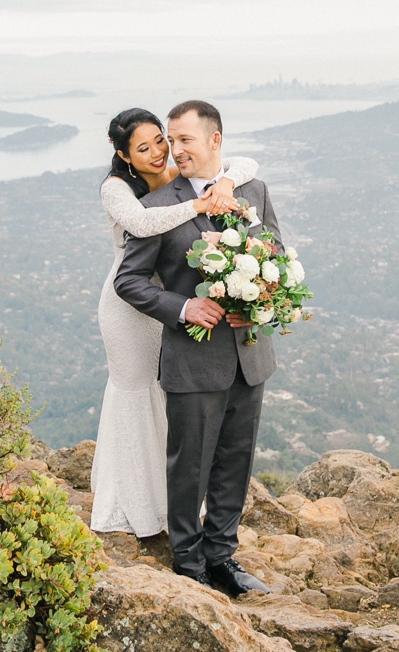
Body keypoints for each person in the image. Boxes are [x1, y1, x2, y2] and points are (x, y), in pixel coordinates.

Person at [114, 100, 278, 595]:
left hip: (249, 354)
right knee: (190, 465)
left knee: (235, 459)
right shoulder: (158, 208)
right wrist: (186, 308)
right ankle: (188, 562)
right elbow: (130, 280)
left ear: (215, 141)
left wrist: (259, 303)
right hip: (193, 355)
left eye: (184, 140)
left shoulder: (252, 190)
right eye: (170, 139)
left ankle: (222, 557)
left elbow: (276, 254)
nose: (174, 150)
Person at [89, 107, 260, 538]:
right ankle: (133, 506)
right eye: (143, 148)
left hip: (171, 297)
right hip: (130, 309)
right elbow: (144, 223)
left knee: (167, 400)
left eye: (161, 141)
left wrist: (223, 182)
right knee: (135, 393)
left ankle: (170, 506)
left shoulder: (172, 177)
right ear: (123, 154)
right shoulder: (118, 189)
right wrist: (200, 203)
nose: (158, 152)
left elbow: (245, 165)